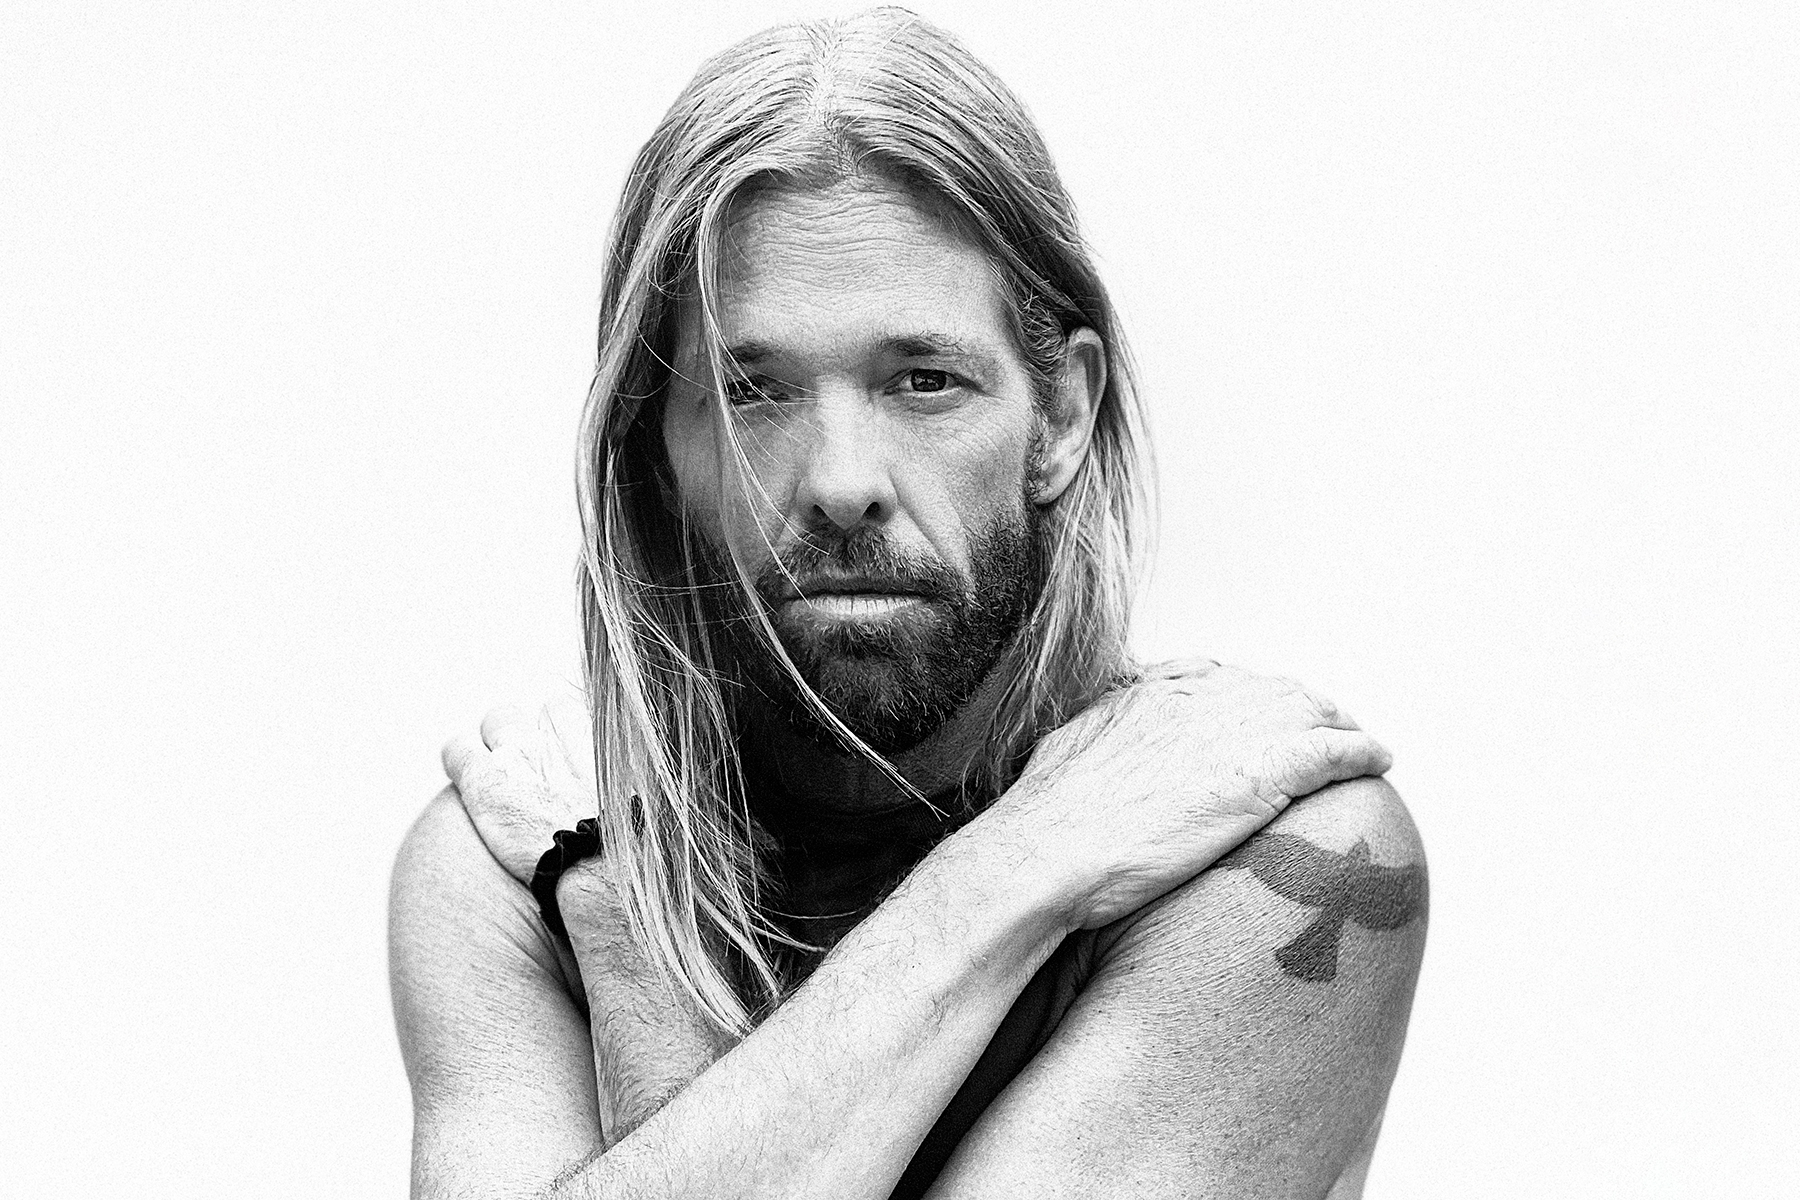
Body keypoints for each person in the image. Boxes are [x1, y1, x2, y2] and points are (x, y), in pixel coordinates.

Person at [388, 9, 1428, 1198]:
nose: (841, 484)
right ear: (659, 448)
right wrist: (1019, 868)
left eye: (924, 381)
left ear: (1062, 416)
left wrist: (625, 949)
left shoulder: (1280, 860)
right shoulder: (524, 852)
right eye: (752, 390)